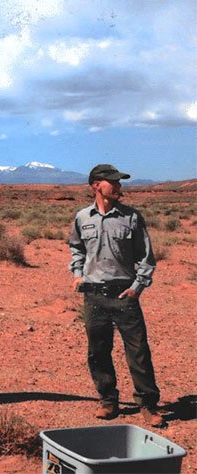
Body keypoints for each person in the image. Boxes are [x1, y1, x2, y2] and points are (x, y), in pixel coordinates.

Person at [69, 164, 163, 427]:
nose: (119, 187)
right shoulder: (82, 217)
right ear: (97, 185)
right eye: (114, 182)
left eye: (120, 182)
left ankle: (148, 404)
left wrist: (138, 287)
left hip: (125, 294)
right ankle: (108, 400)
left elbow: (146, 257)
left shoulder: (131, 217)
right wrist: (77, 274)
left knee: (138, 351)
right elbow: (76, 248)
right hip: (94, 295)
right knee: (98, 351)